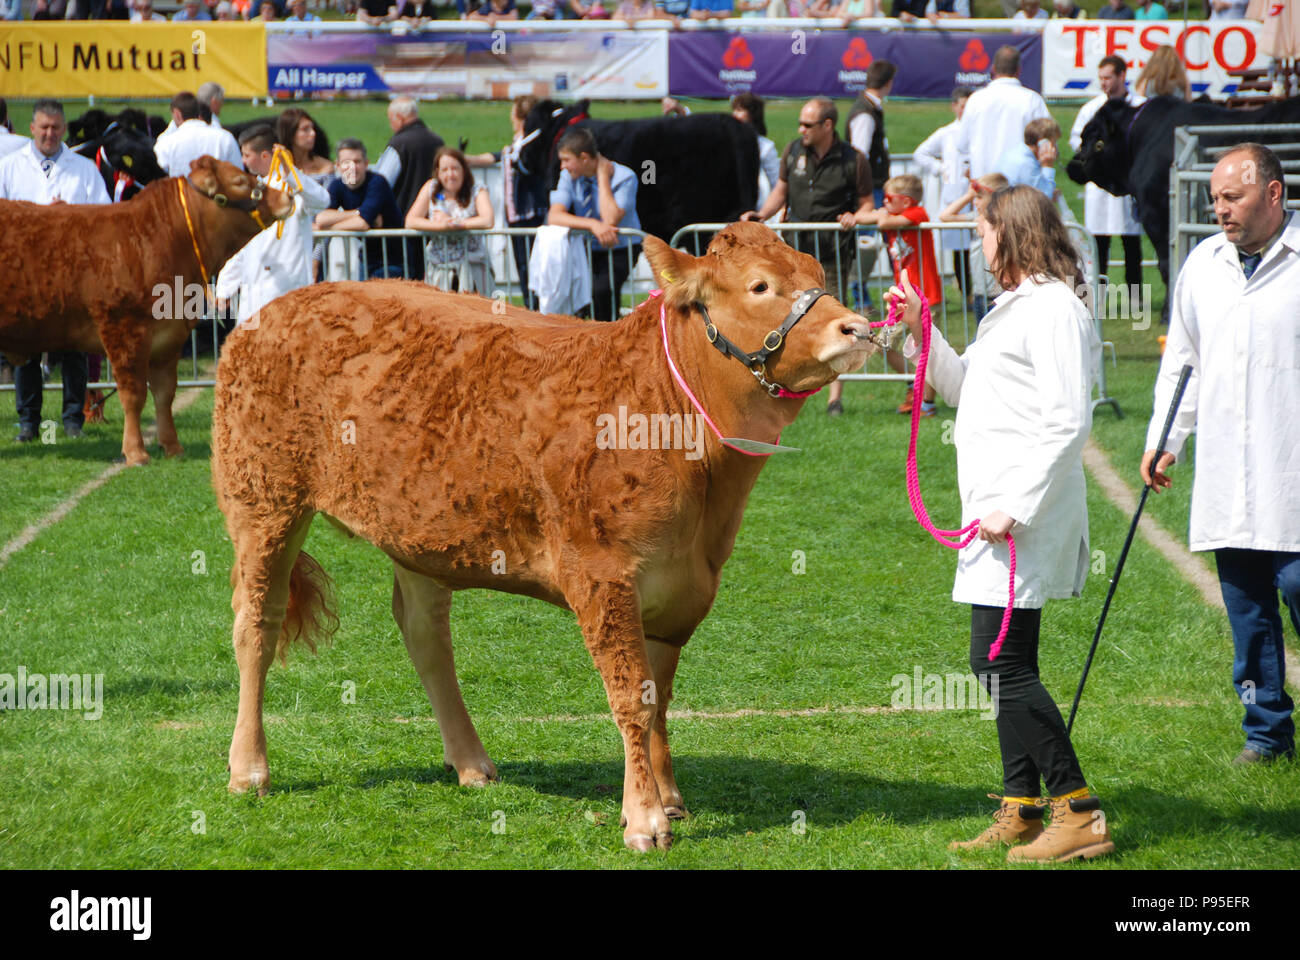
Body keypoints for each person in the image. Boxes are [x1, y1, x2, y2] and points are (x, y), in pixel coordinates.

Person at [887, 184, 1113, 862]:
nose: (978, 244)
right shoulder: (1012, 309)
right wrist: (920, 330)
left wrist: (1015, 505)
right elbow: (963, 391)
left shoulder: (1051, 310)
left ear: (1009, 233)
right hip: (996, 512)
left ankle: (1077, 810)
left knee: (995, 661)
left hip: (1020, 516)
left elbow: (1069, 419)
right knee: (1010, 659)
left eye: (983, 231)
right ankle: (1020, 805)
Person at [1142, 143, 1299, 765]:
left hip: (1291, 465)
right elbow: (1182, 362)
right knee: (1248, 609)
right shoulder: (1204, 264)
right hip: (1228, 471)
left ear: (1274, 193)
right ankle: (1265, 733)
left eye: (1232, 197)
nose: (1220, 211)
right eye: (1215, 199)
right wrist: (1164, 439)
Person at [741, 97, 873, 417]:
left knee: (833, 323)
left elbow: (868, 204)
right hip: (794, 255)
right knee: (784, 319)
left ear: (827, 126)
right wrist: (762, 213)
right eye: (801, 123)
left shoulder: (853, 160)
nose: (800, 129)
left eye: (807, 125)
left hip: (832, 256)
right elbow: (781, 191)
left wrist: (855, 216)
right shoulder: (792, 151)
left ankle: (834, 399)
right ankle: (779, 387)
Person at [0, 99, 109, 443]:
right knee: (26, 347)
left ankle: (73, 420)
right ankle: (29, 423)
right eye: (43, 127)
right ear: (31, 128)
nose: (49, 134)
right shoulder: (8, 168)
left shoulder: (85, 169)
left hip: (72, 273)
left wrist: (72, 214)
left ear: (64, 129)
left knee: (74, 345)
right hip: (25, 274)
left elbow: (105, 217)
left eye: (56, 127)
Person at [215, 125, 330, 328]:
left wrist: (291, 173)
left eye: (247, 154)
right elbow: (242, 247)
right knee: (249, 351)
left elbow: (322, 200)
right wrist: (225, 287)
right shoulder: (251, 193)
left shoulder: (294, 189)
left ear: (265, 155)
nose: (243, 161)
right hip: (253, 291)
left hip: (288, 289)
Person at [857, 173, 941, 417]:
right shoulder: (893, 214)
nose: (884, 203)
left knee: (925, 349)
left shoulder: (917, 213)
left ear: (906, 201)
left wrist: (880, 215)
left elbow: (882, 222)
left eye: (888, 198)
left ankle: (926, 404)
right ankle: (914, 385)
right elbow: (867, 217)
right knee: (884, 343)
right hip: (903, 300)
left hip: (925, 296)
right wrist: (853, 217)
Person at [546, 126, 641, 322]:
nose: (562, 166)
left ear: (584, 158)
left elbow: (610, 220)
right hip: (588, 247)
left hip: (621, 248)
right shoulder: (568, 177)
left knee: (601, 291)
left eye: (566, 160)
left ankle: (608, 340)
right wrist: (591, 224)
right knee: (581, 295)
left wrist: (603, 178)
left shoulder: (625, 177)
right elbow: (554, 216)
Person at [1070, 55, 1142, 302]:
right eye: (1100, 78)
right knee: (1099, 242)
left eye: (1108, 77)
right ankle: (1097, 297)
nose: (1104, 83)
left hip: (1128, 184)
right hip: (1100, 186)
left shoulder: (1139, 105)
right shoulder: (1092, 109)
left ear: (1122, 76)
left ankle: (1135, 297)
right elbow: (1076, 140)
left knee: (1131, 241)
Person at [467, 95, 550, 309]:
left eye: (513, 115)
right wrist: (467, 159)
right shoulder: (518, 142)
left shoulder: (533, 144)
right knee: (523, 267)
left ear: (522, 118)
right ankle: (532, 309)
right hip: (517, 215)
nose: (510, 119)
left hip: (531, 214)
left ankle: (538, 310)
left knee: (534, 268)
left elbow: (521, 164)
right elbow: (498, 155)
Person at [913, 86, 974, 313]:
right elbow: (921, 153)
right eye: (962, 106)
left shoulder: (980, 131)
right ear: (955, 106)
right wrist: (940, 168)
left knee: (979, 247)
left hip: (975, 196)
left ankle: (980, 292)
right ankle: (966, 294)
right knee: (960, 250)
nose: (965, 111)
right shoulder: (947, 132)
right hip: (954, 197)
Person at [371, 97, 445, 282]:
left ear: (399, 118)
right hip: (432, 222)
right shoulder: (438, 141)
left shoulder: (399, 144)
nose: (391, 125)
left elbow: (381, 182)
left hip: (400, 225)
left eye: (391, 120)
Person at [405, 147, 495, 294]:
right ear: (438, 172)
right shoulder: (431, 188)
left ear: (464, 170)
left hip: (472, 268)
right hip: (440, 269)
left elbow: (488, 220)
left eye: (455, 168)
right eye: (445, 170)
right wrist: (440, 226)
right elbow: (411, 221)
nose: (450, 175)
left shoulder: (477, 189)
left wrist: (457, 224)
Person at [956, 45, 1050, 182]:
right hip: (1020, 186)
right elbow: (1047, 144)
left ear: (993, 69)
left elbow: (961, 144)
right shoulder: (1032, 100)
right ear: (1019, 70)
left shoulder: (976, 100)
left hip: (985, 184)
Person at [316, 138, 406, 279]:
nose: (352, 167)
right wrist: (357, 213)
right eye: (346, 162)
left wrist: (328, 229)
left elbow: (361, 224)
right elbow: (321, 218)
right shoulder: (337, 185)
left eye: (357, 162)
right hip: (365, 260)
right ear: (338, 166)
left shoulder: (377, 183)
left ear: (366, 164)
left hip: (391, 262)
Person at [939, 171, 1010, 320]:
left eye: (979, 197)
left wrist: (988, 218)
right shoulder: (976, 218)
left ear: (995, 197)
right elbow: (945, 216)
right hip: (980, 294)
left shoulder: (1006, 219)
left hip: (999, 294)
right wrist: (968, 195)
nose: (975, 202)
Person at [153, 91, 240, 177]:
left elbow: (157, 176)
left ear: (177, 114)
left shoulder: (165, 143)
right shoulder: (226, 138)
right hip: (218, 190)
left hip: (180, 190)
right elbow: (238, 173)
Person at [731, 93, 780, 215]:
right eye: (734, 110)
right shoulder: (727, 142)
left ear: (752, 115)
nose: (734, 115)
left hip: (757, 208)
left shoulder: (766, 147)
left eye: (740, 110)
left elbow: (776, 183)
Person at [997, 116, 1060, 200]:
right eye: (1054, 142)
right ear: (1043, 143)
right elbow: (1045, 198)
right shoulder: (1025, 164)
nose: (1055, 148)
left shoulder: (1016, 154)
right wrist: (1047, 165)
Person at [277, 107, 334, 183]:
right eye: (305, 129)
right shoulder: (276, 169)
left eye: (312, 128)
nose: (313, 133)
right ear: (290, 134)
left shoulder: (325, 167)